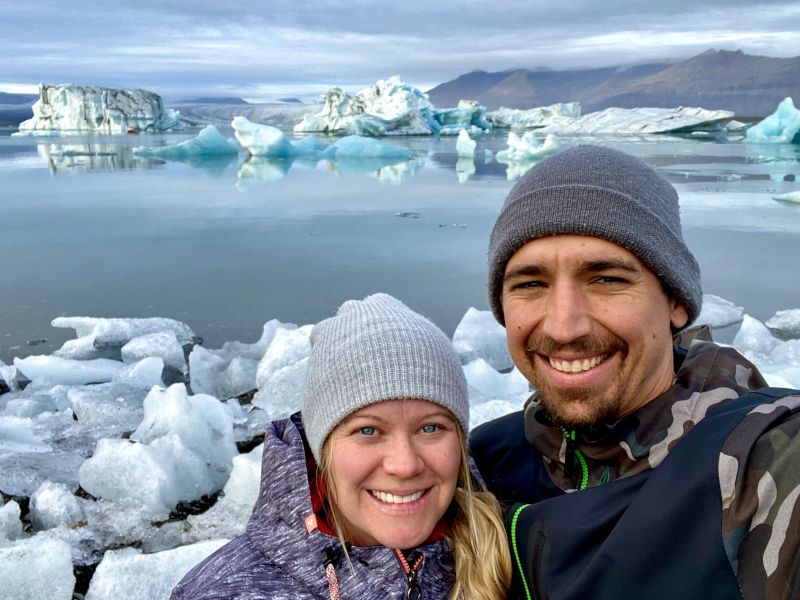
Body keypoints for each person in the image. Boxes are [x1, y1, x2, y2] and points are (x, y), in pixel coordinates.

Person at [470, 145, 800, 600]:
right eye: (530, 284)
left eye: (606, 279)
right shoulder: (482, 463)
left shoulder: (763, 461)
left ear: (676, 302)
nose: (564, 326)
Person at [173, 293, 511, 599]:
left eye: (430, 427)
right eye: (368, 431)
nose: (405, 465)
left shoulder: (511, 559)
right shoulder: (226, 590)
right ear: (322, 449)